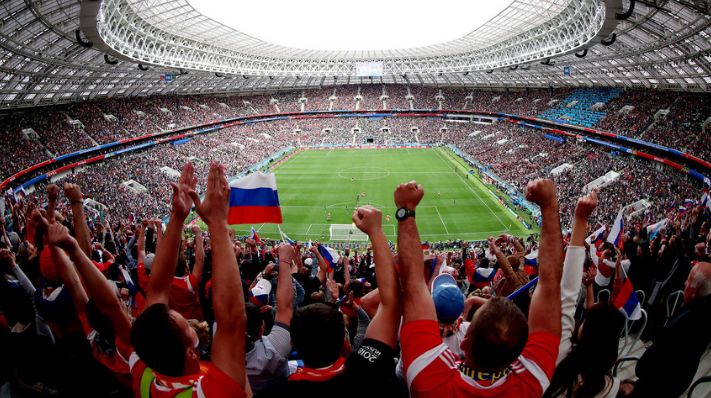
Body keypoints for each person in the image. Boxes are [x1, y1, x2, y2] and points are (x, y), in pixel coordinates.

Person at [398, 179, 564, 397]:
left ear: (465, 342)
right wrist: (551, 205)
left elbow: (412, 283)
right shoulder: (533, 382)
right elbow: (550, 284)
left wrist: (406, 211)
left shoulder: (428, 379)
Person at [129, 162, 250, 397]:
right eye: (185, 323)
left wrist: (177, 217)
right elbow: (232, 320)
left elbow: (157, 292)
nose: (184, 317)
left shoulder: (142, 367)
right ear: (191, 352)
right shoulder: (213, 392)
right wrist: (217, 224)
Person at [262, 205, 408, 397]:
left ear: (293, 344)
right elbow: (390, 303)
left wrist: (283, 263)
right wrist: (376, 231)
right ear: (345, 343)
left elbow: (284, 308)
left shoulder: (274, 391)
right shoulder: (366, 368)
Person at [544, 189, 626, 398]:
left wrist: (580, 219)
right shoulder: (613, 387)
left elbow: (567, 294)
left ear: (584, 331)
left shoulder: (561, 354)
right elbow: (569, 297)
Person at [620, 261, 711, 398]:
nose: (685, 283)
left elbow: (645, 368)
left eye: (688, 280)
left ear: (695, 290)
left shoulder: (680, 327)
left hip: (654, 388)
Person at [245, 243, 295, 393]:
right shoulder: (275, 350)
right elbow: (285, 306)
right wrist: (285, 261)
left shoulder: (220, 351)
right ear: (261, 329)